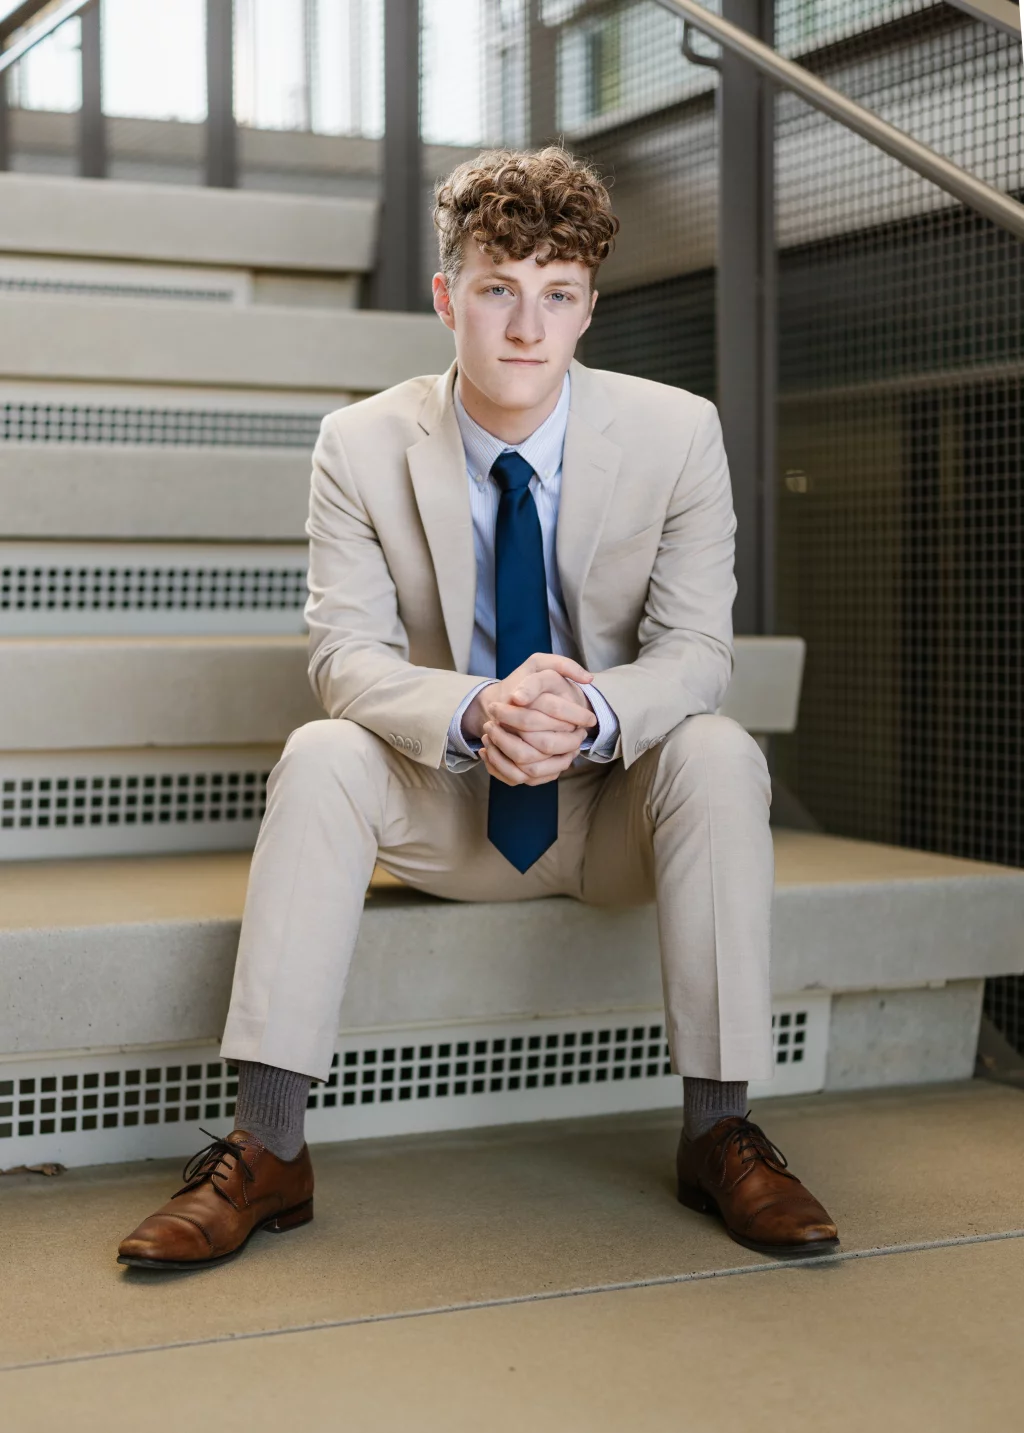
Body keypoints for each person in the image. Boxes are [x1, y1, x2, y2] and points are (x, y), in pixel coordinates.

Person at [117, 146, 838, 1271]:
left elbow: (697, 650)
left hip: (609, 810)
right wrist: (475, 708)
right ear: (449, 297)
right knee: (319, 751)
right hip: (447, 805)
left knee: (716, 747)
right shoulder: (358, 443)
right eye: (499, 288)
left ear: (588, 308)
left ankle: (718, 1129)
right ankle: (268, 1146)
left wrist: (587, 714)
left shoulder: (675, 431)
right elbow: (346, 657)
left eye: (557, 295)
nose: (525, 325)